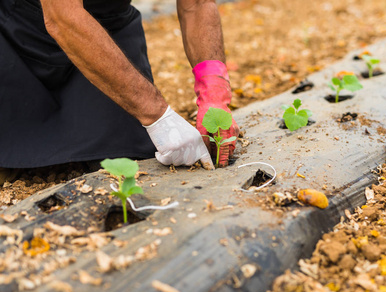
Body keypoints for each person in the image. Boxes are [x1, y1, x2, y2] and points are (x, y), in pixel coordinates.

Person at [0, 0, 239, 184]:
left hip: (106, 33)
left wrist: (214, 90)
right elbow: (62, 17)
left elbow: (196, 4)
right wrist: (158, 115)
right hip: (19, 28)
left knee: (128, 157)